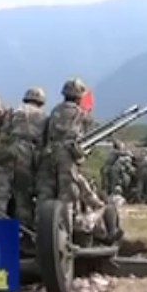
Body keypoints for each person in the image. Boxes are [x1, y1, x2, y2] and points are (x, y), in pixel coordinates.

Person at [0, 87, 47, 226]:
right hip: (27, 154)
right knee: (23, 195)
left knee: (1, 194)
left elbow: (3, 133)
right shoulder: (43, 116)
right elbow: (44, 141)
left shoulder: (14, 111)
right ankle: (22, 230)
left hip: (8, 150)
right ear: (40, 102)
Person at [36, 78, 93, 215]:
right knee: (68, 197)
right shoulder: (81, 113)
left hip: (49, 155)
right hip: (67, 158)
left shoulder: (54, 111)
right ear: (79, 96)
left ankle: (40, 222)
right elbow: (84, 137)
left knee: (45, 193)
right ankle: (67, 227)